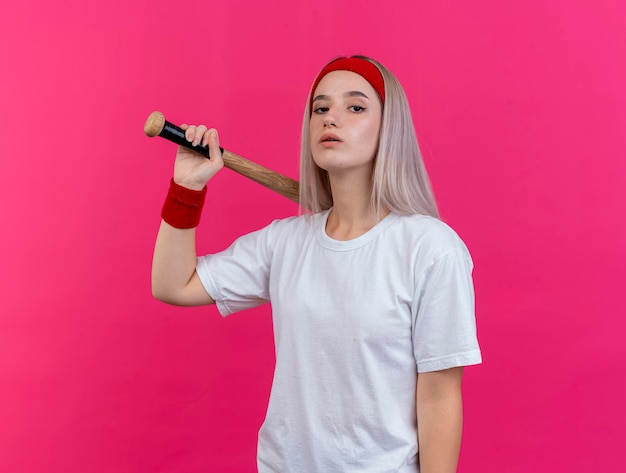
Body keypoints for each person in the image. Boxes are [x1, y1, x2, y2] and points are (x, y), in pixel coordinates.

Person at [152, 55, 482, 473]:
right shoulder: (285, 242)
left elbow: (439, 396)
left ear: (390, 129)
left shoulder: (431, 249)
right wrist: (187, 187)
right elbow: (172, 285)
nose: (331, 119)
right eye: (320, 108)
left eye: (356, 107)